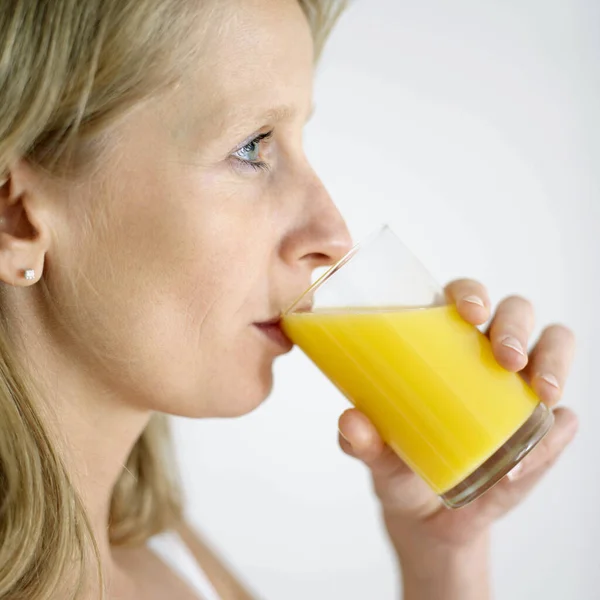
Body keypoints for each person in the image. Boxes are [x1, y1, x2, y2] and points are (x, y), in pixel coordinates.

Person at [0, 1, 578, 599]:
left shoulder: (159, 553)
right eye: (252, 147)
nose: (333, 235)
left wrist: (443, 557)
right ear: (15, 216)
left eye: (299, 140)